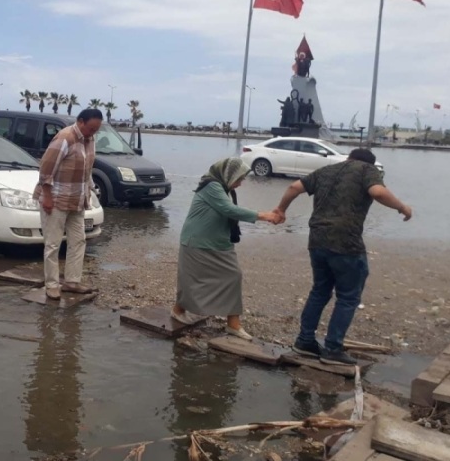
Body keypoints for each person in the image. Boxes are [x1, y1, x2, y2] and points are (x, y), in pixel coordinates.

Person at [273, 148, 412, 365]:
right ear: (370, 163)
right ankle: (333, 348)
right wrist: (402, 207)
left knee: (319, 291)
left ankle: (305, 341)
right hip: (346, 243)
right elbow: (378, 192)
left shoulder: (326, 170)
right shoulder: (368, 170)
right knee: (348, 297)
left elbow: (294, 187)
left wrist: (281, 210)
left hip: (317, 240)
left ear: (349, 158)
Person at [172, 158, 281, 340]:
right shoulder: (212, 186)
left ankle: (233, 324)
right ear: (228, 175)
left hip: (218, 242)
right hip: (196, 241)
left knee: (233, 275)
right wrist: (265, 216)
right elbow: (229, 210)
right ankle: (178, 310)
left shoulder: (223, 189)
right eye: (240, 178)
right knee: (191, 279)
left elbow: (227, 211)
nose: (241, 182)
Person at [34, 108, 103, 300]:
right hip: (56, 199)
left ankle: (72, 281)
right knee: (53, 244)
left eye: (96, 130)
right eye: (90, 128)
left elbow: (87, 170)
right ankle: (52, 284)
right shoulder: (64, 138)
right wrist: (47, 196)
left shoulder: (90, 140)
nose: (92, 133)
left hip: (77, 200)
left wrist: (91, 190)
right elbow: (45, 169)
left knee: (78, 240)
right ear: (80, 121)